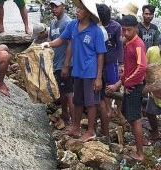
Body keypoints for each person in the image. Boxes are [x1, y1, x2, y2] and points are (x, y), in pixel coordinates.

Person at [40, 0, 106, 142]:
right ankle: (75, 127)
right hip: (77, 70)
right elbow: (62, 39)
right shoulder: (73, 26)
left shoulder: (96, 31)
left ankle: (91, 131)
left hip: (90, 71)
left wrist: (99, 77)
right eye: (77, 8)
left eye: (80, 9)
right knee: (77, 101)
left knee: (91, 102)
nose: (77, 11)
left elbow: (101, 54)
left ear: (88, 13)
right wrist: (48, 44)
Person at [106, 15, 147, 161]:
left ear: (136, 28)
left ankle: (140, 153)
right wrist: (118, 84)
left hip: (135, 86)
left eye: (128, 30)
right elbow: (129, 69)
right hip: (130, 84)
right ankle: (141, 140)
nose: (125, 33)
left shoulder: (137, 44)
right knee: (127, 112)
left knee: (135, 118)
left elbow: (142, 67)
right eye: (123, 30)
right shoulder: (129, 43)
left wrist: (128, 83)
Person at [96, 3, 123, 138]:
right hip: (99, 61)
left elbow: (119, 46)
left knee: (114, 87)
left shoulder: (116, 27)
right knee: (103, 87)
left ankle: (118, 110)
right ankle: (108, 110)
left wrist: (121, 63)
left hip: (112, 61)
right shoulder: (96, 26)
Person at [48, 0, 73, 125]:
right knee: (62, 90)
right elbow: (51, 42)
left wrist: (66, 65)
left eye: (56, 6)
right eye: (52, 6)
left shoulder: (67, 22)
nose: (53, 9)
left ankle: (74, 122)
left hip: (65, 64)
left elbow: (70, 44)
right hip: (57, 63)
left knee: (69, 92)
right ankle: (65, 114)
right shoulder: (53, 23)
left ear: (63, 6)